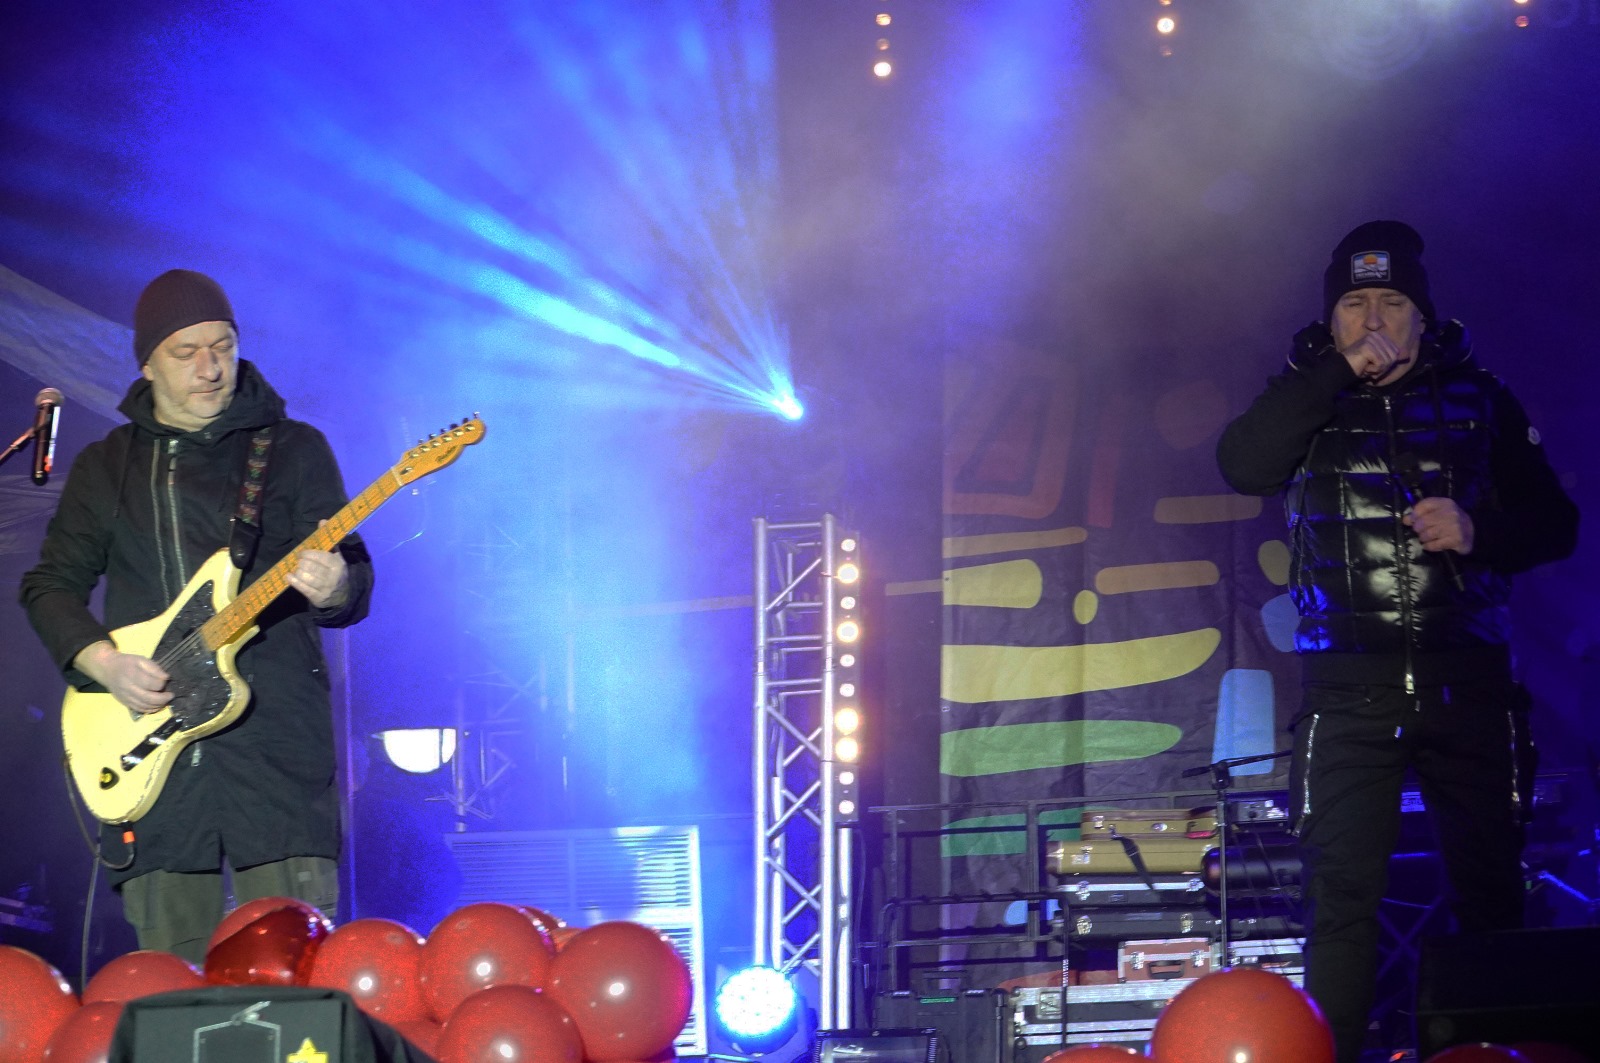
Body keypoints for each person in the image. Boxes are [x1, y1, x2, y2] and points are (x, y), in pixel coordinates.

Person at [1215, 221, 1579, 1063]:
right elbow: (1242, 463)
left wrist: (1479, 530)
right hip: (1347, 696)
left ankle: (1495, 1053)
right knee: (1341, 900)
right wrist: (1334, 373)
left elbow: (1556, 523)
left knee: (1492, 893)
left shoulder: (1480, 397)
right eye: (1354, 304)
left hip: (1470, 686)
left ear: (1422, 315)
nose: (1372, 320)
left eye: (1390, 302)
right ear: (1331, 318)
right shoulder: (1305, 399)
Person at [20, 269, 374, 964]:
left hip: (275, 756)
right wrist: (103, 664)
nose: (211, 368)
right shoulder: (106, 467)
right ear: (147, 363)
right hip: (153, 766)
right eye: (186, 352)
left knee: (294, 974)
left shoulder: (294, 449)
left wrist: (336, 586)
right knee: (172, 984)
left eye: (224, 347)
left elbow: (354, 579)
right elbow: (49, 586)